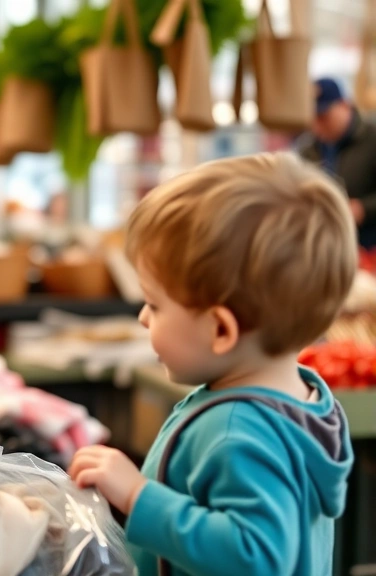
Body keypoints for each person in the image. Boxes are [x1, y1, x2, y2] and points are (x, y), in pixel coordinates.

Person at [68, 153, 355, 576]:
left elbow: (257, 557)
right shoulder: (304, 403)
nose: (144, 318)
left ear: (221, 330)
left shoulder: (237, 431)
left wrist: (137, 496)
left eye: (154, 304)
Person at [300, 77, 376, 248]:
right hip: (326, 247)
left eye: (324, 116)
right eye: (314, 118)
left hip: (368, 246)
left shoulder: (372, 139)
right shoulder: (308, 150)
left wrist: (363, 209)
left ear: (344, 105)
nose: (318, 125)